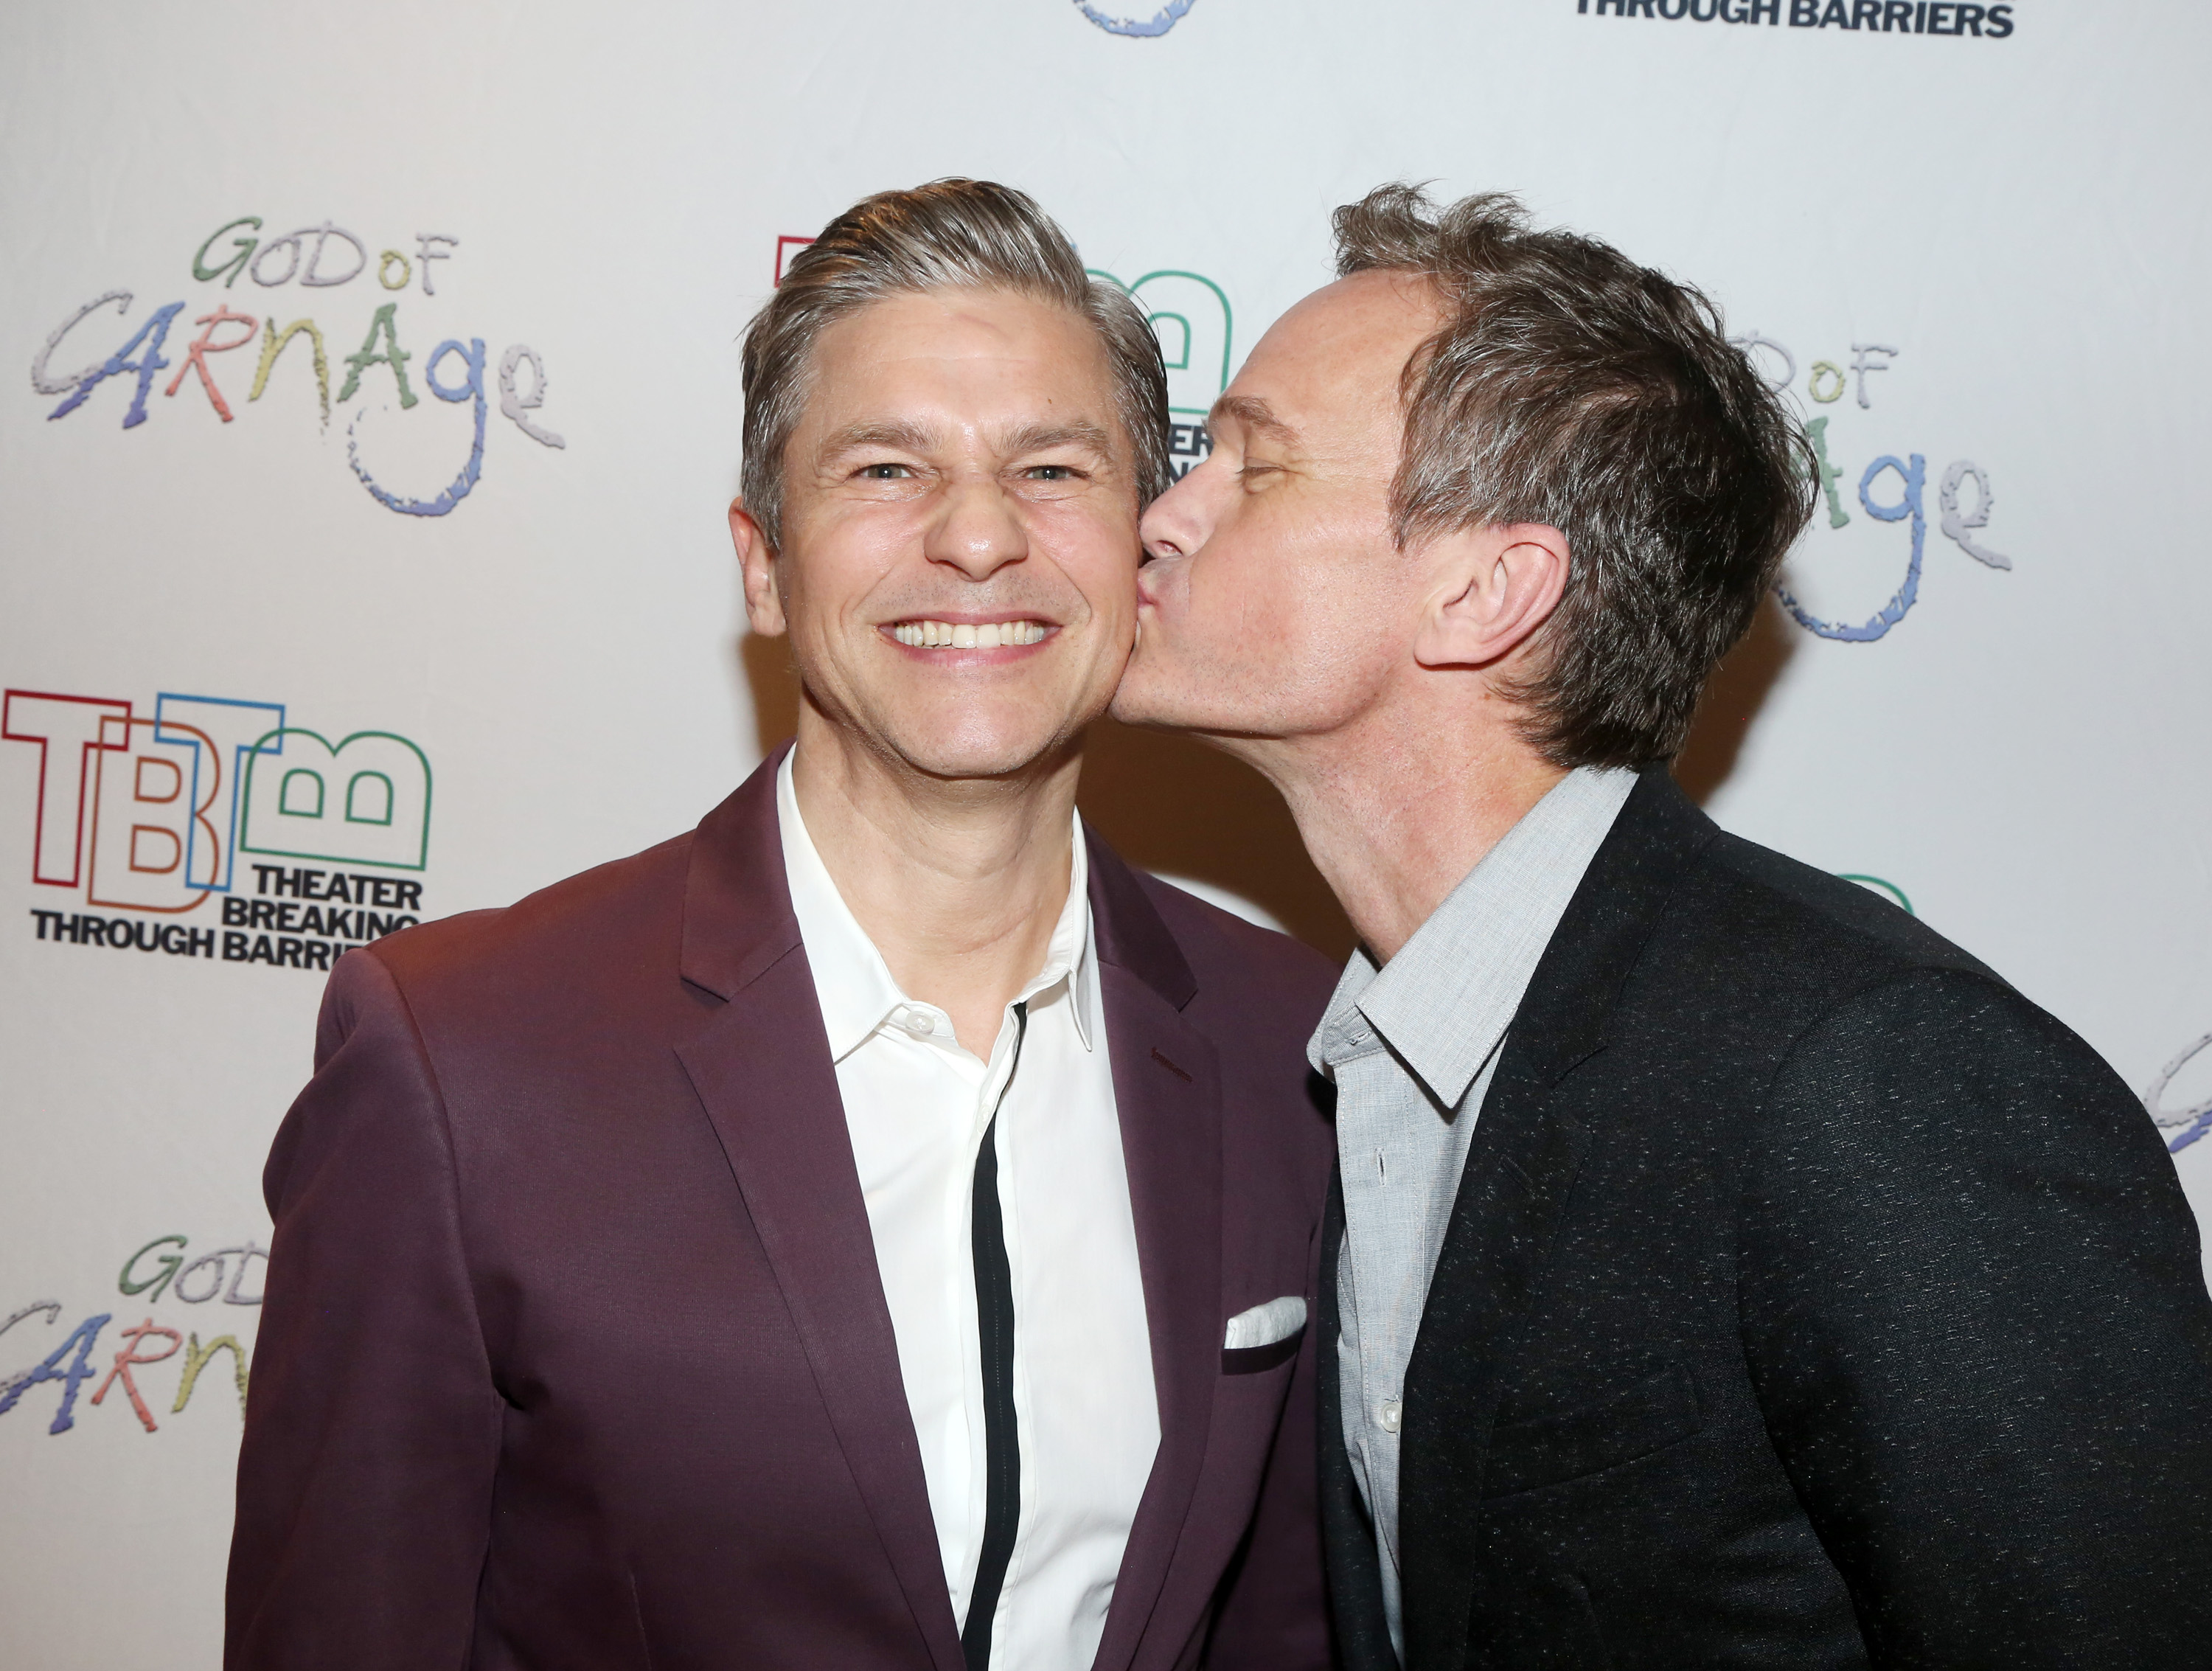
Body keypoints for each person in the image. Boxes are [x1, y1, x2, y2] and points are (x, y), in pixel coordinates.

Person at [225, 180, 1338, 1671]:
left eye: (1054, 469)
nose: (978, 538)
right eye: (886, 467)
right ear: (763, 563)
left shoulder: (1299, 1047)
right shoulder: (462, 1057)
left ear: (1143, 554)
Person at [1113, 181, 2212, 1669]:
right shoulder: (1391, 1049)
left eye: (1255, 466)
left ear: (1487, 588)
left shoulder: (1884, 1083)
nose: (1162, 513)